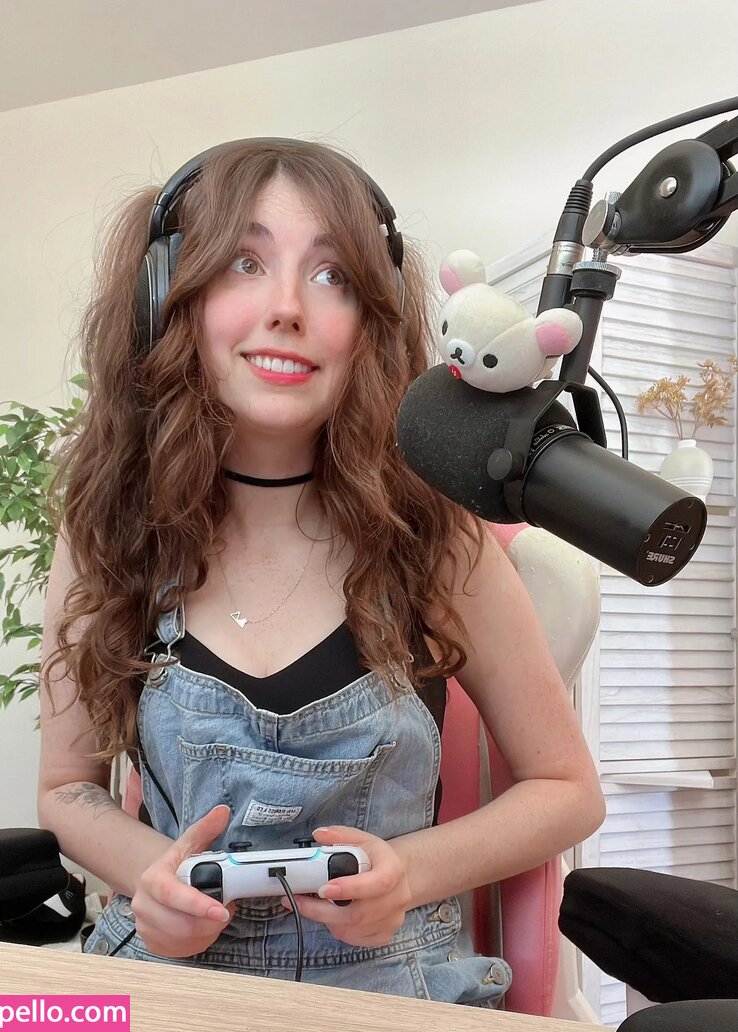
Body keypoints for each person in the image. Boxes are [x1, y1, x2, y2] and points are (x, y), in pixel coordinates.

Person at [37, 138, 605, 1006]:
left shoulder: (434, 536)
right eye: (245, 263)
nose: (288, 308)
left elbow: (568, 791)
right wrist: (155, 879)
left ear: (372, 323)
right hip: (163, 984)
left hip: (393, 987)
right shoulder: (107, 535)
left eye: (332, 275)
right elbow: (67, 788)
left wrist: (409, 874)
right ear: (166, 300)